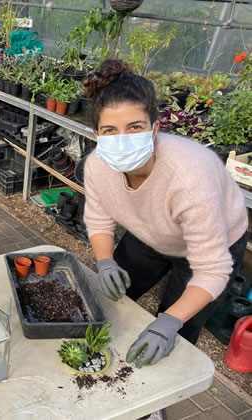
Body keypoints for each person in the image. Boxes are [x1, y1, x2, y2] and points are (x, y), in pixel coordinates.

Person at [82, 60, 248, 368]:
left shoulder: (189, 176)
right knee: (112, 300)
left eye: (134, 127)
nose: (122, 139)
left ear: (155, 128)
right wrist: (105, 262)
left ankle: (155, 402)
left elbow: (212, 270)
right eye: (110, 130)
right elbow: (98, 217)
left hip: (211, 246)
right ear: (97, 134)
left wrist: (168, 323)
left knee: (176, 330)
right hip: (149, 234)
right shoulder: (97, 167)